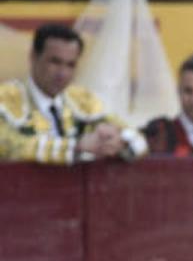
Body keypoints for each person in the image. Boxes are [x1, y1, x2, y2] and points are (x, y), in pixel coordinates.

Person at [0, 23, 147, 163]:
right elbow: (9, 146)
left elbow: (138, 140)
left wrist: (118, 142)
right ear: (33, 57)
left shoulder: (81, 100)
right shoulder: (5, 99)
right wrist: (76, 147)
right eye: (55, 62)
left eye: (70, 65)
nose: (62, 73)